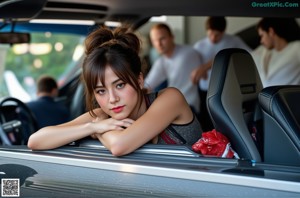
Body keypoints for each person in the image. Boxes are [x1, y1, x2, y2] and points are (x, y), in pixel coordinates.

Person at [27, 26, 202, 156]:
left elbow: (120, 146)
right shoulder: (101, 116)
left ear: (139, 80)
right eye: (101, 91)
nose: (112, 99)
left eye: (120, 85)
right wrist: (91, 127)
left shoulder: (170, 98)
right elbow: (36, 140)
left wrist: (100, 132)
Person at [191, 16, 251, 131]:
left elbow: (250, 55)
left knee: (224, 120)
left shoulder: (234, 41)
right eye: (210, 35)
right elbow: (194, 69)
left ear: (224, 31)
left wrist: (206, 66)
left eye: (217, 35)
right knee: (206, 120)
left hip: (226, 88)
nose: (213, 38)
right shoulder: (199, 46)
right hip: (205, 90)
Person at [144, 23, 202, 115]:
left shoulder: (188, 53)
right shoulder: (161, 61)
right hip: (173, 106)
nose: (158, 44)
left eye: (162, 39)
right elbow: (147, 85)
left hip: (189, 106)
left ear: (172, 37)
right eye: (154, 40)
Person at [251, 17, 300, 87]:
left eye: (262, 36)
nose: (261, 41)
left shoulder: (296, 47)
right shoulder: (265, 51)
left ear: (271, 31)